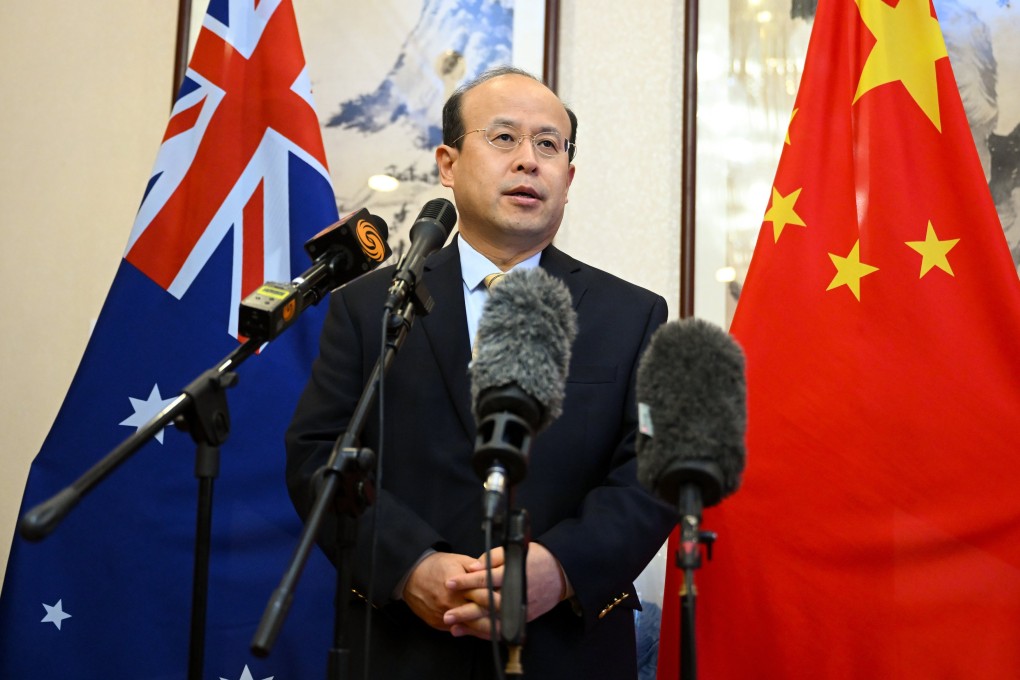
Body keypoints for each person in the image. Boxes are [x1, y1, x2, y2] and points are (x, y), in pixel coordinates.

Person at [285, 65, 677, 679]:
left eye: (548, 145)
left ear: (568, 178)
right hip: (399, 649)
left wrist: (561, 567)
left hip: (567, 651)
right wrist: (409, 565)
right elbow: (318, 459)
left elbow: (652, 474)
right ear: (447, 163)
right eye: (503, 139)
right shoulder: (369, 306)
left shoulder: (631, 315)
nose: (528, 161)